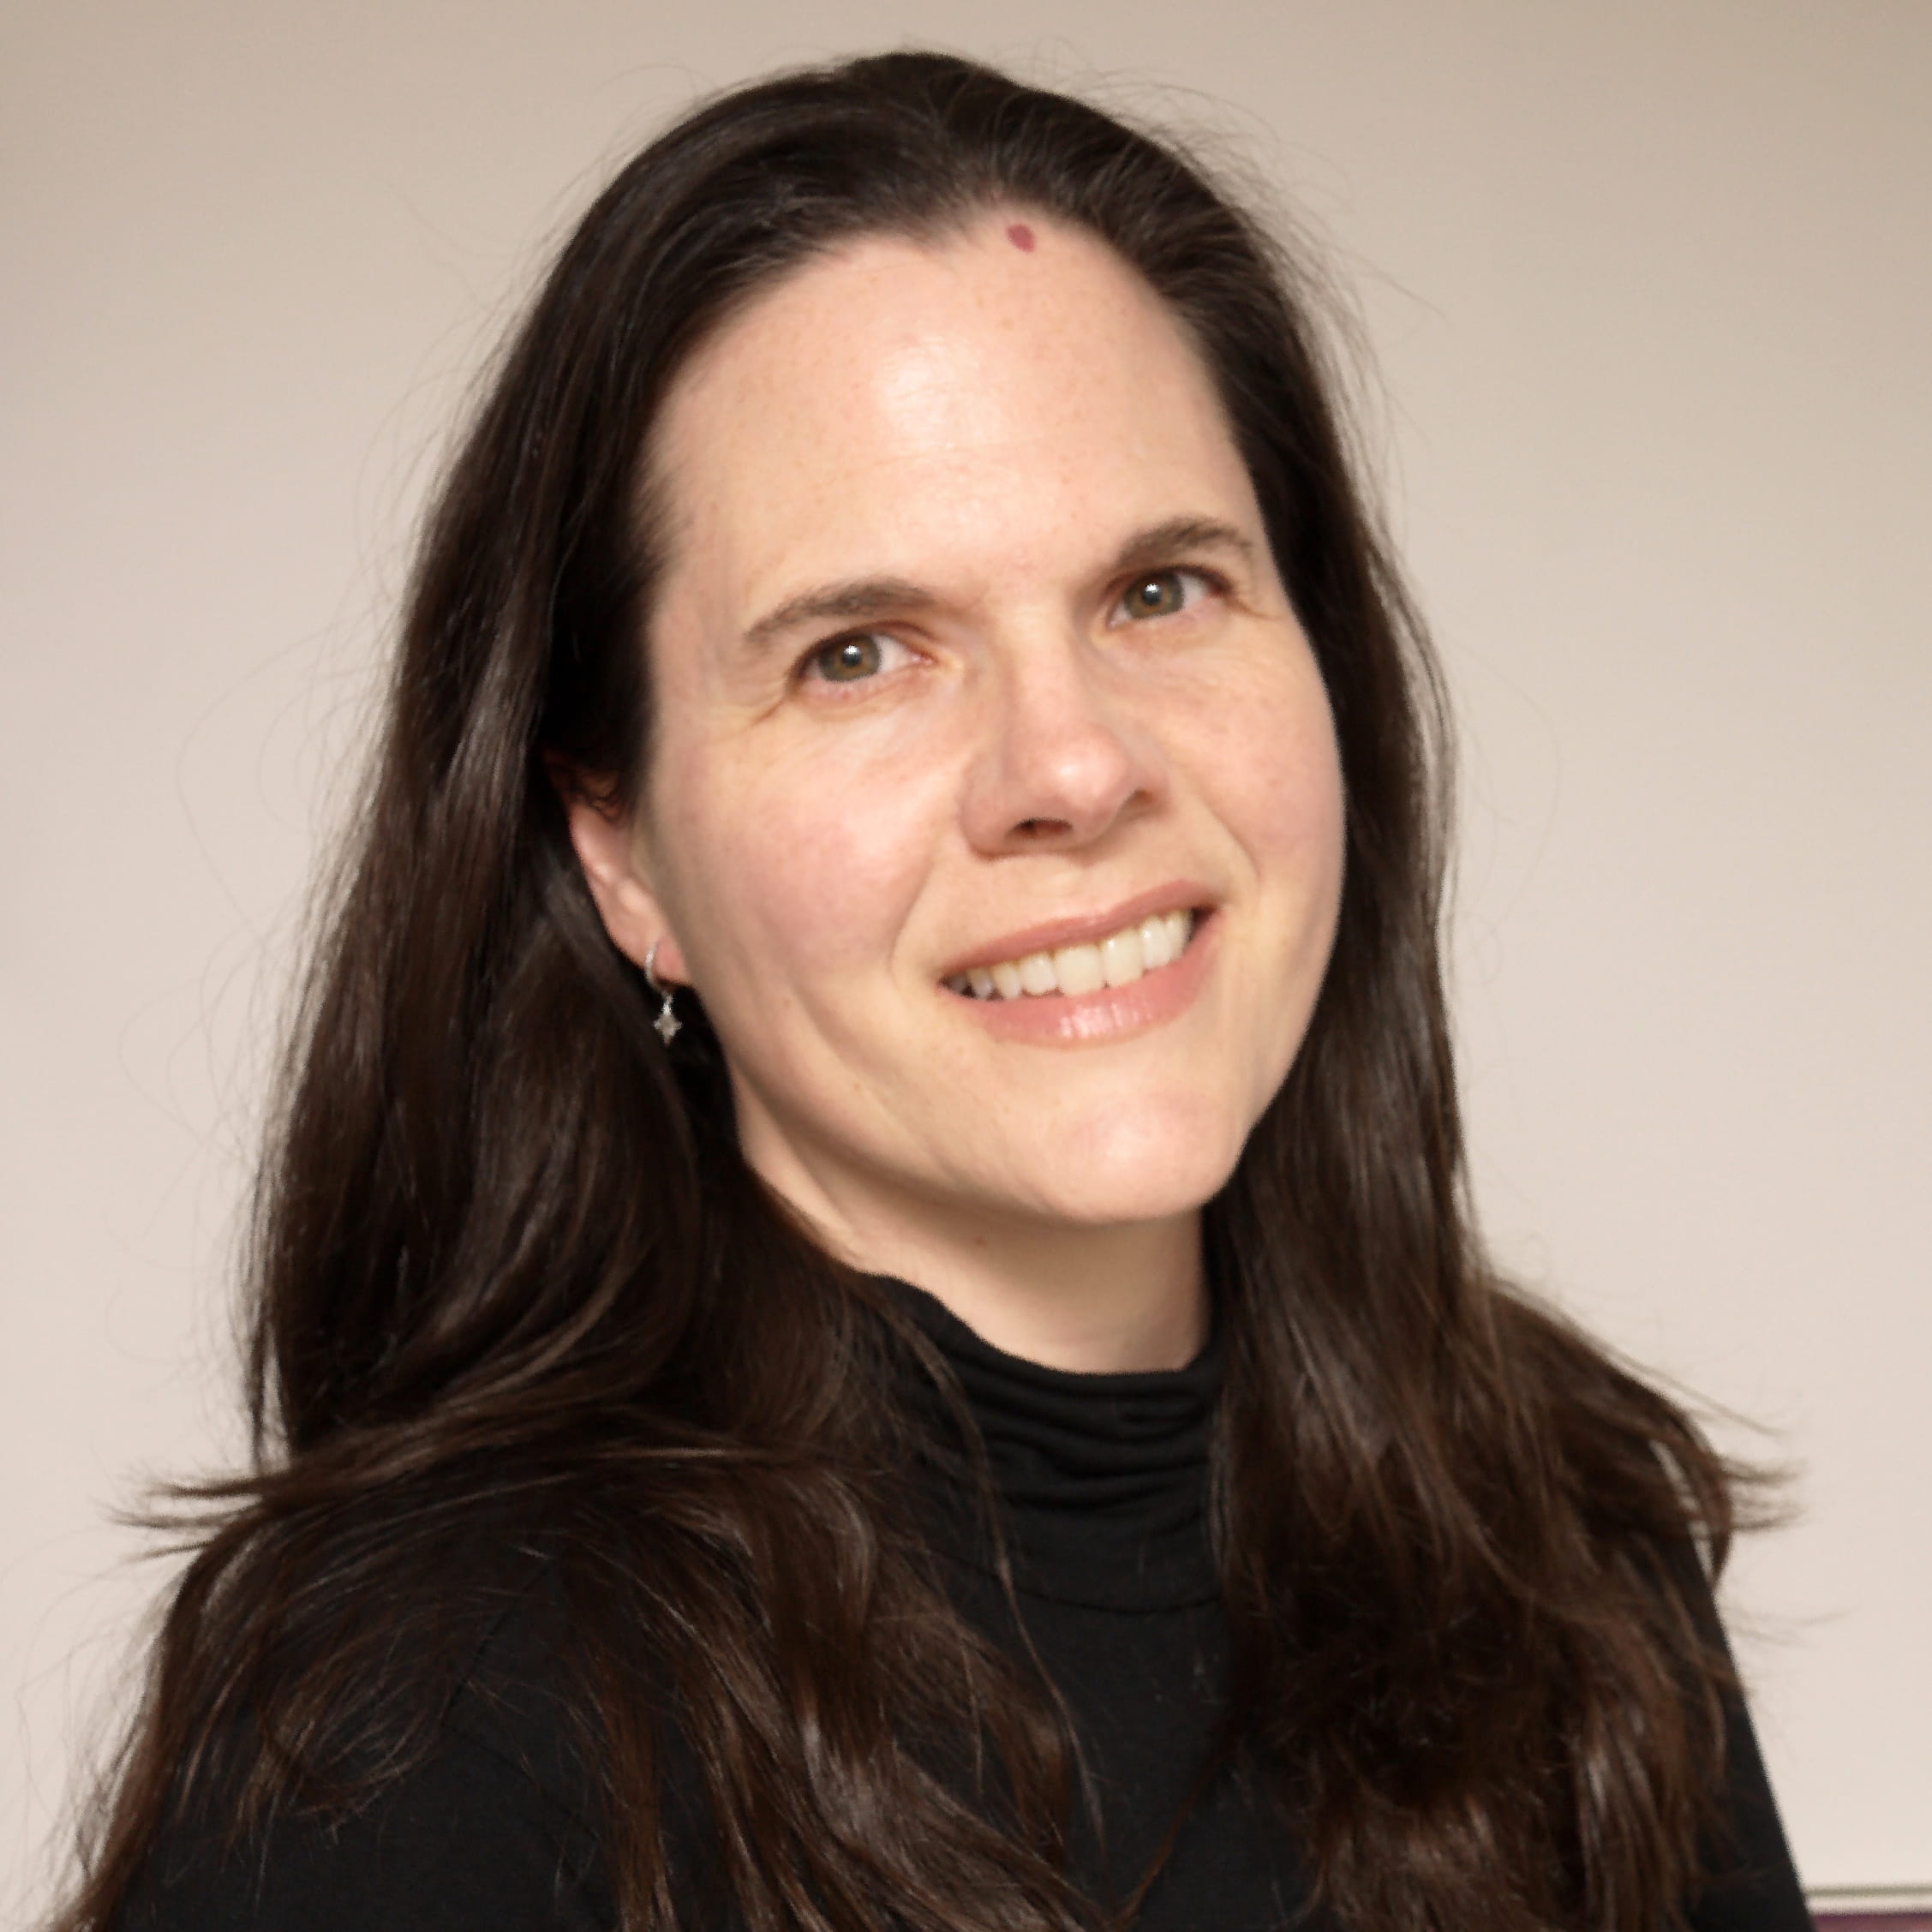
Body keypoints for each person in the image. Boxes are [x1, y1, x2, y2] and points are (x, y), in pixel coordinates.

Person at [56, 50, 1811, 1932]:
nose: (1070, 766)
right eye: (860, 654)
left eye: (1160, 593)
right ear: (621, 847)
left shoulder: (1564, 1538)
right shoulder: (427, 1715)